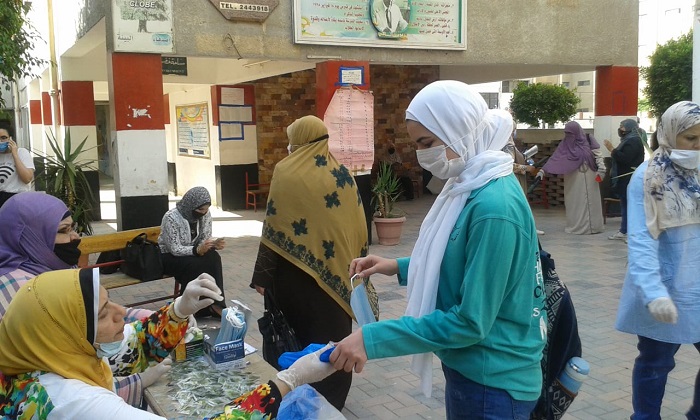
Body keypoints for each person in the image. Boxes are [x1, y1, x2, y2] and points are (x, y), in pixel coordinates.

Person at [329, 81, 546, 419]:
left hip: (494, 382)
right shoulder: (473, 184)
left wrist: (371, 339)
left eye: (427, 143)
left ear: (460, 130)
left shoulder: (494, 207)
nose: (422, 155)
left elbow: (470, 322)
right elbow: (463, 257)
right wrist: (397, 266)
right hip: (475, 372)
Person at [0, 269, 337, 418]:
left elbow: (132, 348)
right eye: (103, 314)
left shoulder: (49, 357)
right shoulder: (73, 403)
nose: (120, 312)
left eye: (110, 300)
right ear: (65, 335)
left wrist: (178, 311)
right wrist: (286, 382)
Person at [250, 115, 376, 410]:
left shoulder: (286, 171)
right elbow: (357, 227)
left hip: (293, 277)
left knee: (294, 339)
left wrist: (262, 277)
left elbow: (274, 226)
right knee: (332, 340)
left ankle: (294, 395)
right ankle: (330, 405)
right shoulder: (342, 174)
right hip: (336, 276)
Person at [0, 191, 166, 407]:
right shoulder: (15, 289)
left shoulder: (56, 268)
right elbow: (59, 370)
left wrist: (160, 315)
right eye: (63, 230)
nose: (75, 237)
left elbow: (99, 311)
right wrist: (134, 382)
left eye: (73, 227)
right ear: (29, 238)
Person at [615, 101, 700, 420]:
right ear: (669, 134)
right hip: (666, 284)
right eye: (691, 138)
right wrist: (654, 293)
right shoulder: (649, 177)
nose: (698, 145)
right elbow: (640, 239)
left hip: (697, 282)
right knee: (656, 362)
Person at [159, 186, 226, 318]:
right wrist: (197, 250)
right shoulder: (171, 217)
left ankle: (216, 303)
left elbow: (205, 237)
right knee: (194, 264)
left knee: (213, 257)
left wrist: (212, 245)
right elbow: (175, 248)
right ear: (190, 205)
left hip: (193, 253)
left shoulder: (205, 215)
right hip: (170, 256)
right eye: (200, 209)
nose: (204, 212)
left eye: (206, 209)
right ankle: (186, 307)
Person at [540, 121, 606, 234]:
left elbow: (598, 155)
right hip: (573, 179)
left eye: (571, 133)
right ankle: (577, 227)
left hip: (591, 176)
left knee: (592, 202)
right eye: (567, 133)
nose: (569, 136)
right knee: (576, 203)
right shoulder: (565, 144)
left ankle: (595, 227)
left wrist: (601, 169)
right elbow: (555, 158)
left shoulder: (589, 139)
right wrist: (543, 170)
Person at [604, 119, 645, 242]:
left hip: (628, 178)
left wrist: (612, 149)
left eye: (622, 126)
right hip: (624, 178)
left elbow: (626, 159)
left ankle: (630, 232)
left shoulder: (633, 141)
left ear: (630, 128)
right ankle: (624, 230)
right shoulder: (628, 140)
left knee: (629, 206)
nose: (620, 129)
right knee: (625, 205)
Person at [0, 126, 34, 208]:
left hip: (18, 198)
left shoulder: (21, 152)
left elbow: (27, 179)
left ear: (10, 138)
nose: (0, 141)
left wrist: (15, 154)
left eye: (3, 138)